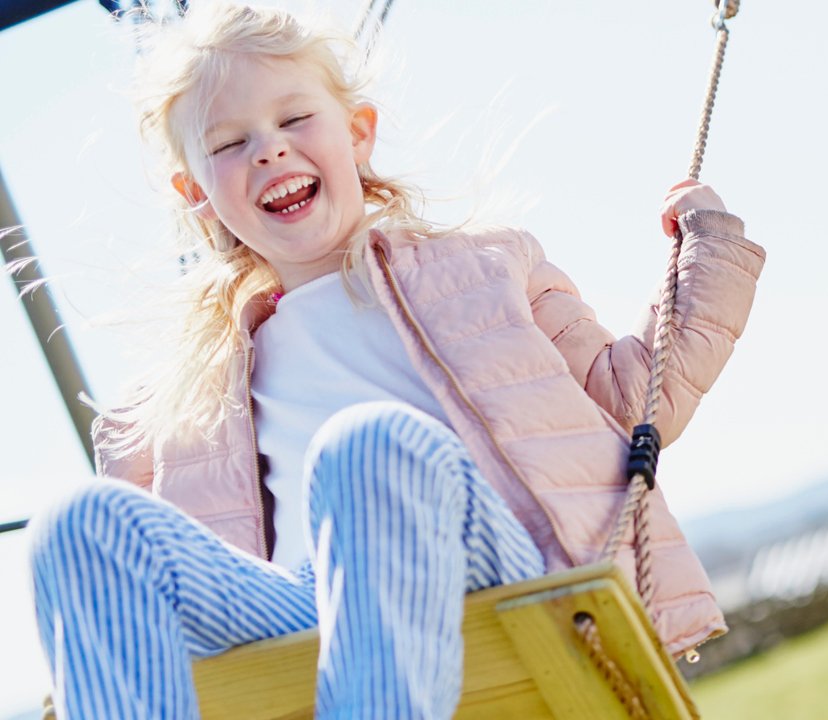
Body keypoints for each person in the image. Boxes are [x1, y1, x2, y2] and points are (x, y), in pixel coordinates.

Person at [27, 4, 765, 717]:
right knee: (77, 525)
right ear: (196, 195)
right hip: (310, 619)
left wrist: (707, 249)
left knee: (367, 446)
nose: (269, 150)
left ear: (358, 134)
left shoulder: (485, 271)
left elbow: (634, 400)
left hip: (491, 571)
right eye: (228, 144)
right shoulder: (184, 398)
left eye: (294, 118)